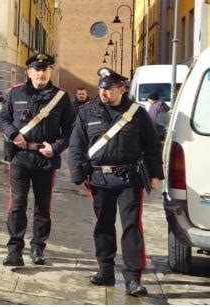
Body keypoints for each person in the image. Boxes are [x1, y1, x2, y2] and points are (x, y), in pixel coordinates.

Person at [68, 67, 164, 297]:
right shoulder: (87, 112)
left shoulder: (137, 113)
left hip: (129, 179)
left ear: (122, 89)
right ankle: (105, 271)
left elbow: (151, 145)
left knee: (131, 227)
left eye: (109, 89)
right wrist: (77, 175)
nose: (104, 93)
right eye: (101, 89)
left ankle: (133, 278)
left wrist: (155, 174)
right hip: (99, 179)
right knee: (103, 225)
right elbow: (76, 146)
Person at [0, 53, 76, 266]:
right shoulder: (15, 93)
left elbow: (71, 128)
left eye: (45, 69)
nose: (41, 73)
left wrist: (57, 147)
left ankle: (38, 247)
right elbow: (2, 118)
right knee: (17, 204)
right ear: (29, 72)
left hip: (45, 158)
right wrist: (14, 134)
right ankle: (14, 249)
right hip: (20, 157)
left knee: (43, 206)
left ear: (51, 72)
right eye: (37, 69)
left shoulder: (60, 97)